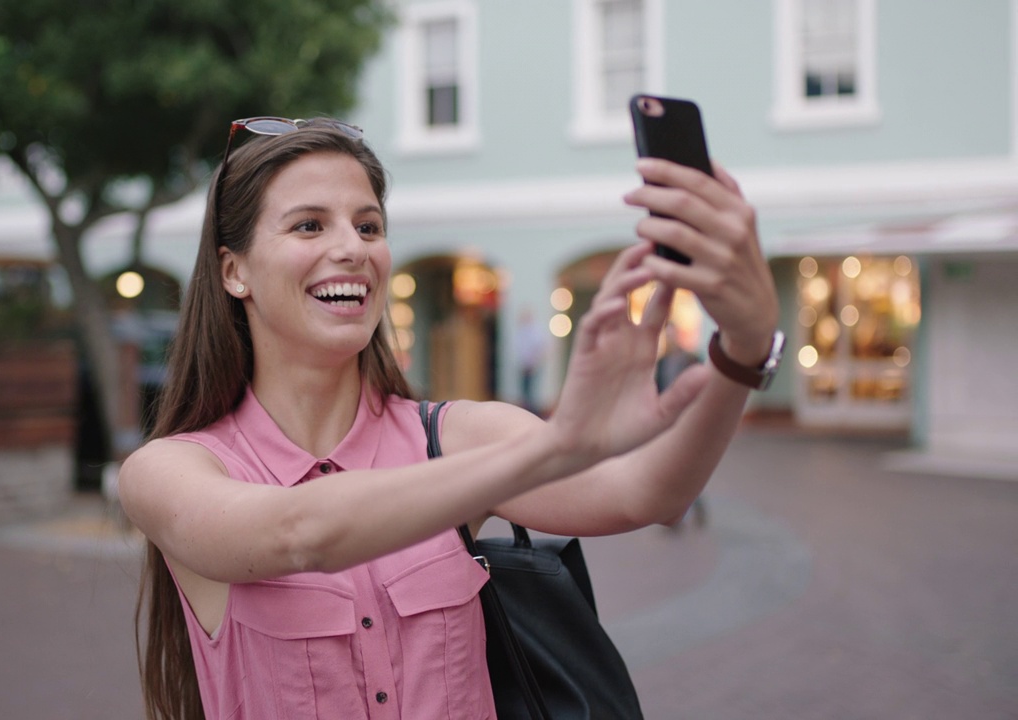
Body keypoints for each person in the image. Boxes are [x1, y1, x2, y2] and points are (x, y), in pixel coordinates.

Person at [117, 117, 780, 719]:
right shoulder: (171, 470)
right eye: (309, 225)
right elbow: (298, 531)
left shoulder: (451, 436)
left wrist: (743, 353)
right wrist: (557, 445)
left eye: (369, 225)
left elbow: (648, 493)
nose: (352, 247)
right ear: (235, 272)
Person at [655, 321, 708, 529]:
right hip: (667, 422)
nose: (670, 339)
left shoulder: (691, 359)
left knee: (685, 467)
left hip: (686, 420)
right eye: (666, 336)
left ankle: (691, 507)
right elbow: (658, 389)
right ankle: (677, 514)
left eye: (672, 335)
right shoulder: (662, 362)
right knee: (671, 467)